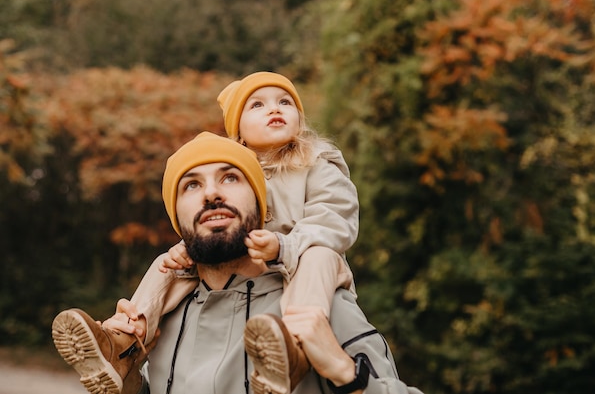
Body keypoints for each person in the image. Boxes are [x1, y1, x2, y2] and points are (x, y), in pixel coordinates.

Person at [53, 72, 359, 394]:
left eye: (285, 102)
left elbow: (334, 218)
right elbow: (219, 224)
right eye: (258, 105)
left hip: (303, 262)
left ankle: (296, 343)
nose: (274, 109)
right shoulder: (234, 167)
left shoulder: (315, 162)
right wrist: (185, 251)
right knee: (167, 264)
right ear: (237, 129)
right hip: (247, 264)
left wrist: (286, 245)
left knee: (320, 253)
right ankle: (126, 340)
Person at [93, 132, 424, 394]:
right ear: (177, 218)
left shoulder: (316, 308)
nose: (211, 194)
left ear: (262, 206)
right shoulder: (165, 320)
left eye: (230, 178)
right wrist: (128, 383)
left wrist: (344, 371)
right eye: (192, 185)